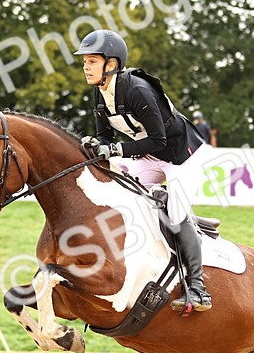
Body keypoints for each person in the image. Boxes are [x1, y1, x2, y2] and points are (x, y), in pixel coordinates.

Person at [73, 29, 213, 313]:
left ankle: (199, 288)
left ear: (111, 64)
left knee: (176, 214)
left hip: (182, 157)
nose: (85, 67)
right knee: (124, 194)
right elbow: (105, 138)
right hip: (150, 156)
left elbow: (159, 140)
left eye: (92, 61)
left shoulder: (137, 90)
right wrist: (96, 145)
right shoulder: (100, 94)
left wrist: (116, 150)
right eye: (85, 61)